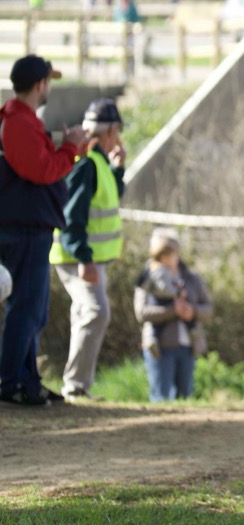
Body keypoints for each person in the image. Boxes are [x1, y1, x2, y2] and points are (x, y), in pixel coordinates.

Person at [0, 55, 85, 407]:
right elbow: (40, 170)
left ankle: (27, 380)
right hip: (23, 228)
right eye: (48, 81)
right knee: (26, 308)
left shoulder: (22, 121)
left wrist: (66, 148)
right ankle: (12, 382)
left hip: (29, 226)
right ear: (39, 84)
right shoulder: (17, 121)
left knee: (33, 310)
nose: (49, 87)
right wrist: (70, 148)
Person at [49, 98, 127, 401]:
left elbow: (110, 195)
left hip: (88, 257)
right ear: (111, 131)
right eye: (117, 131)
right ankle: (75, 385)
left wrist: (118, 169)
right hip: (78, 257)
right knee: (96, 312)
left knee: (85, 313)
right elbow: (73, 216)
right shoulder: (87, 164)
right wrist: (84, 258)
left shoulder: (99, 163)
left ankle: (77, 384)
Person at [133, 228, 212, 401]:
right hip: (160, 346)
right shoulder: (149, 276)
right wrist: (172, 311)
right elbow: (140, 312)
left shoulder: (191, 278)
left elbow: (208, 309)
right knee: (161, 397)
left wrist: (192, 311)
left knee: (185, 396)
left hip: (188, 346)